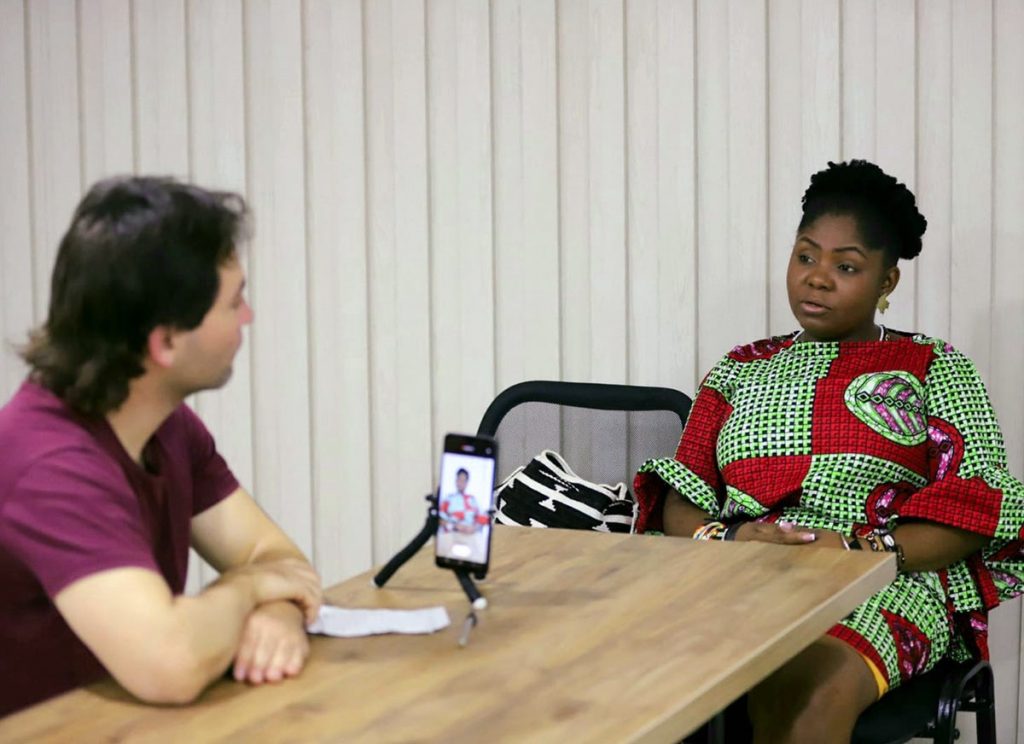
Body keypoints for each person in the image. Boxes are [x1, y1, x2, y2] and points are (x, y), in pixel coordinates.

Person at [633, 160, 1024, 743]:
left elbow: (978, 504)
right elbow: (682, 490)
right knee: (632, 672)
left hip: (882, 581)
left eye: (846, 266)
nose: (816, 278)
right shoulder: (741, 367)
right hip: (743, 574)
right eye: (805, 256)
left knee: (805, 691)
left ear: (887, 282)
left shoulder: (932, 365)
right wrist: (731, 538)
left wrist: (856, 549)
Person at [0, 176, 323, 717]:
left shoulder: (166, 426)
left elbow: (276, 559)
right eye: (233, 302)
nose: (248, 317)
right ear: (166, 341)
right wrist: (250, 592)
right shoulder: (49, 466)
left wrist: (277, 613)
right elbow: (169, 663)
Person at [440, 468, 486, 534]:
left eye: (463, 480)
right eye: (459, 480)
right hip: (452, 534)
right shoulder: (448, 498)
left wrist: (474, 528)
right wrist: (454, 526)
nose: (461, 483)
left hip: (470, 535)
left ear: (466, 483)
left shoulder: (472, 500)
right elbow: (440, 519)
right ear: (456, 481)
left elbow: (481, 519)